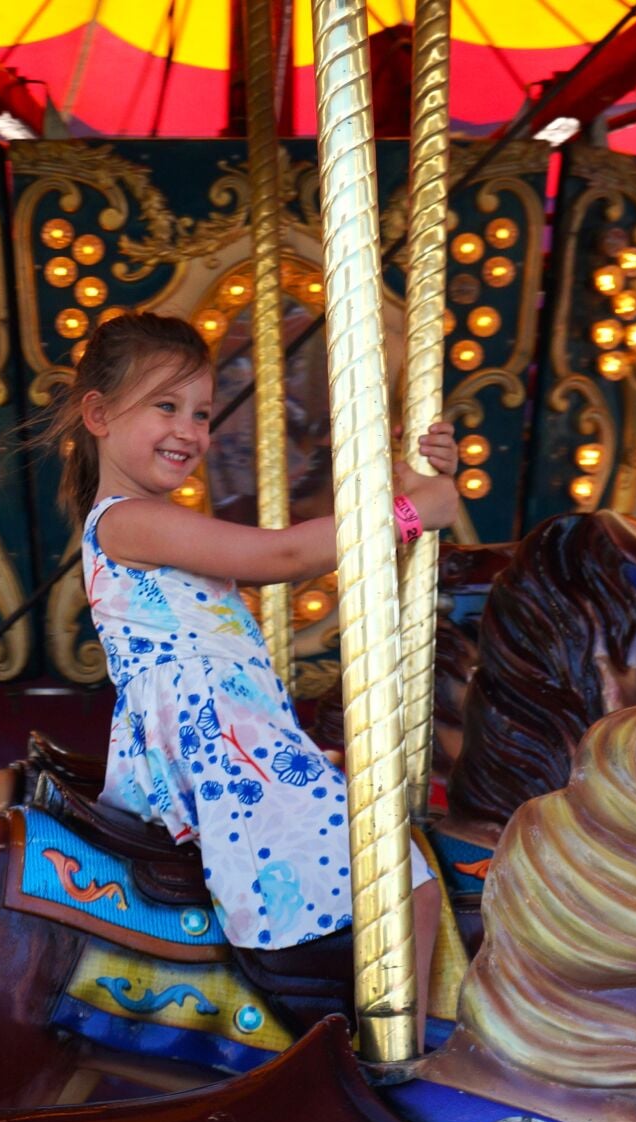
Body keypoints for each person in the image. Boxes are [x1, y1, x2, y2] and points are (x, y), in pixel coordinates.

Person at [44, 311, 458, 1044]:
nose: (189, 430)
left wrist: (415, 479)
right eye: (165, 406)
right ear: (99, 415)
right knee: (401, 879)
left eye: (201, 412)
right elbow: (279, 556)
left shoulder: (152, 519)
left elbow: (316, 551)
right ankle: (390, 1061)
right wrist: (408, 510)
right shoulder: (126, 520)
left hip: (237, 734)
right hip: (219, 747)